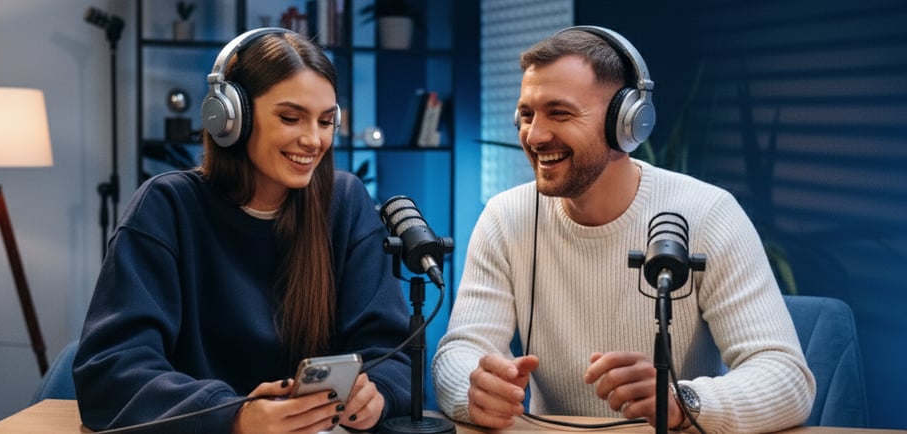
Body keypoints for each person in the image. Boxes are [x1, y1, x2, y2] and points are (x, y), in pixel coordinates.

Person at [431, 26, 815, 432]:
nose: (535, 135)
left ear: (628, 123)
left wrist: (682, 402)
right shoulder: (506, 217)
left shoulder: (707, 213)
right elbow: (461, 351)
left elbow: (786, 377)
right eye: (527, 114)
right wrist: (472, 389)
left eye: (559, 113)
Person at [73, 28, 411, 433]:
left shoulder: (345, 202)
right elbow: (110, 371)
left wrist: (378, 393)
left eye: (325, 121)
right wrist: (234, 415)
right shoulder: (167, 208)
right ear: (229, 116)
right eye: (290, 117)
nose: (313, 139)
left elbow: (394, 354)